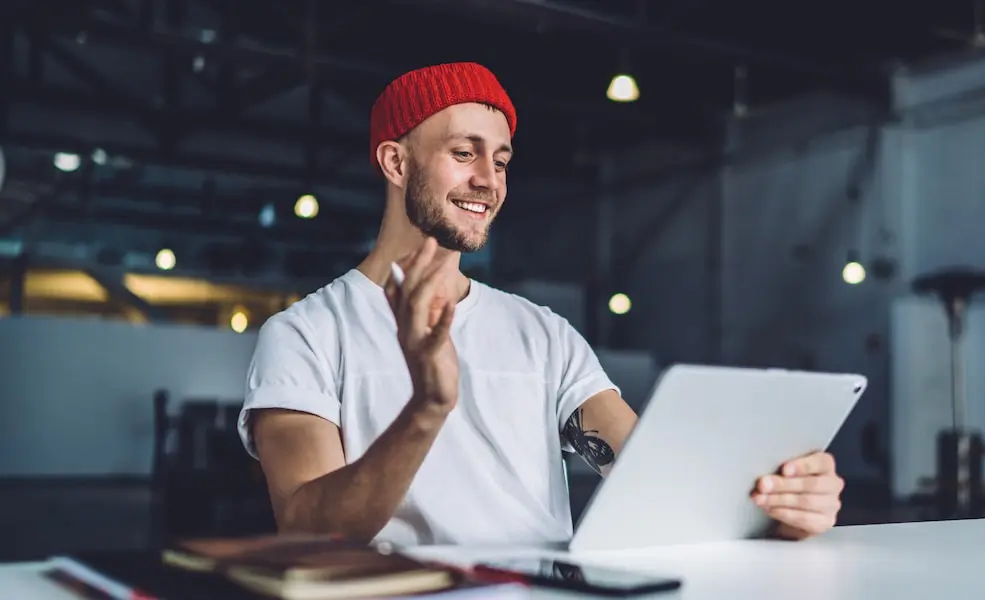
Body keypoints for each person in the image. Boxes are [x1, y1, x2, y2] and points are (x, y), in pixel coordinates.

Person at [237, 62, 844, 547]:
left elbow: (651, 479)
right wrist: (427, 408)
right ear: (396, 161)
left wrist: (779, 507)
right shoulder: (307, 333)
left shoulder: (543, 334)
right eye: (464, 152)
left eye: (500, 159)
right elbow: (305, 528)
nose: (489, 179)